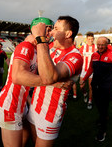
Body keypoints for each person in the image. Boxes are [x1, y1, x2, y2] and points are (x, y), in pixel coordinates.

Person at [0, 17, 55, 147]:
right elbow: (17, 77)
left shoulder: (36, 49)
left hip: (21, 104)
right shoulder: (26, 46)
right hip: (10, 105)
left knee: (26, 133)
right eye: (48, 30)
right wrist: (51, 82)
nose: (50, 34)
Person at [26, 16, 83, 147]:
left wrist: (40, 39)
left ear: (68, 34)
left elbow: (48, 77)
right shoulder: (49, 46)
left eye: (56, 29)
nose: (51, 32)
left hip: (50, 112)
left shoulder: (75, 56)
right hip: (35, 105)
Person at [80, 36, 112, 142]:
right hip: (95, 86)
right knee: (99, 106)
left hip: (107, 87)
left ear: (107, 44)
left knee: (103, 108)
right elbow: (91, 68)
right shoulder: (94, 55)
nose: (100, 47)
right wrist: (84, 78)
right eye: (98, 44)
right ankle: (102, 117)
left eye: (102, 45)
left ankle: (102, 131)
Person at [79, 32, 97, 109]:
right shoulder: (82, 48)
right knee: (81, 86)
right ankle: (85, 94)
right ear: (86, 39)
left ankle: (90, 101)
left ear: (93, 39)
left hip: (92, 71)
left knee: (91, 87)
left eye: (92, 39)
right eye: (89, 39)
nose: (90, 41)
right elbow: (79, 59)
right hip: (84, 70)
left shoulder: (96, 47)